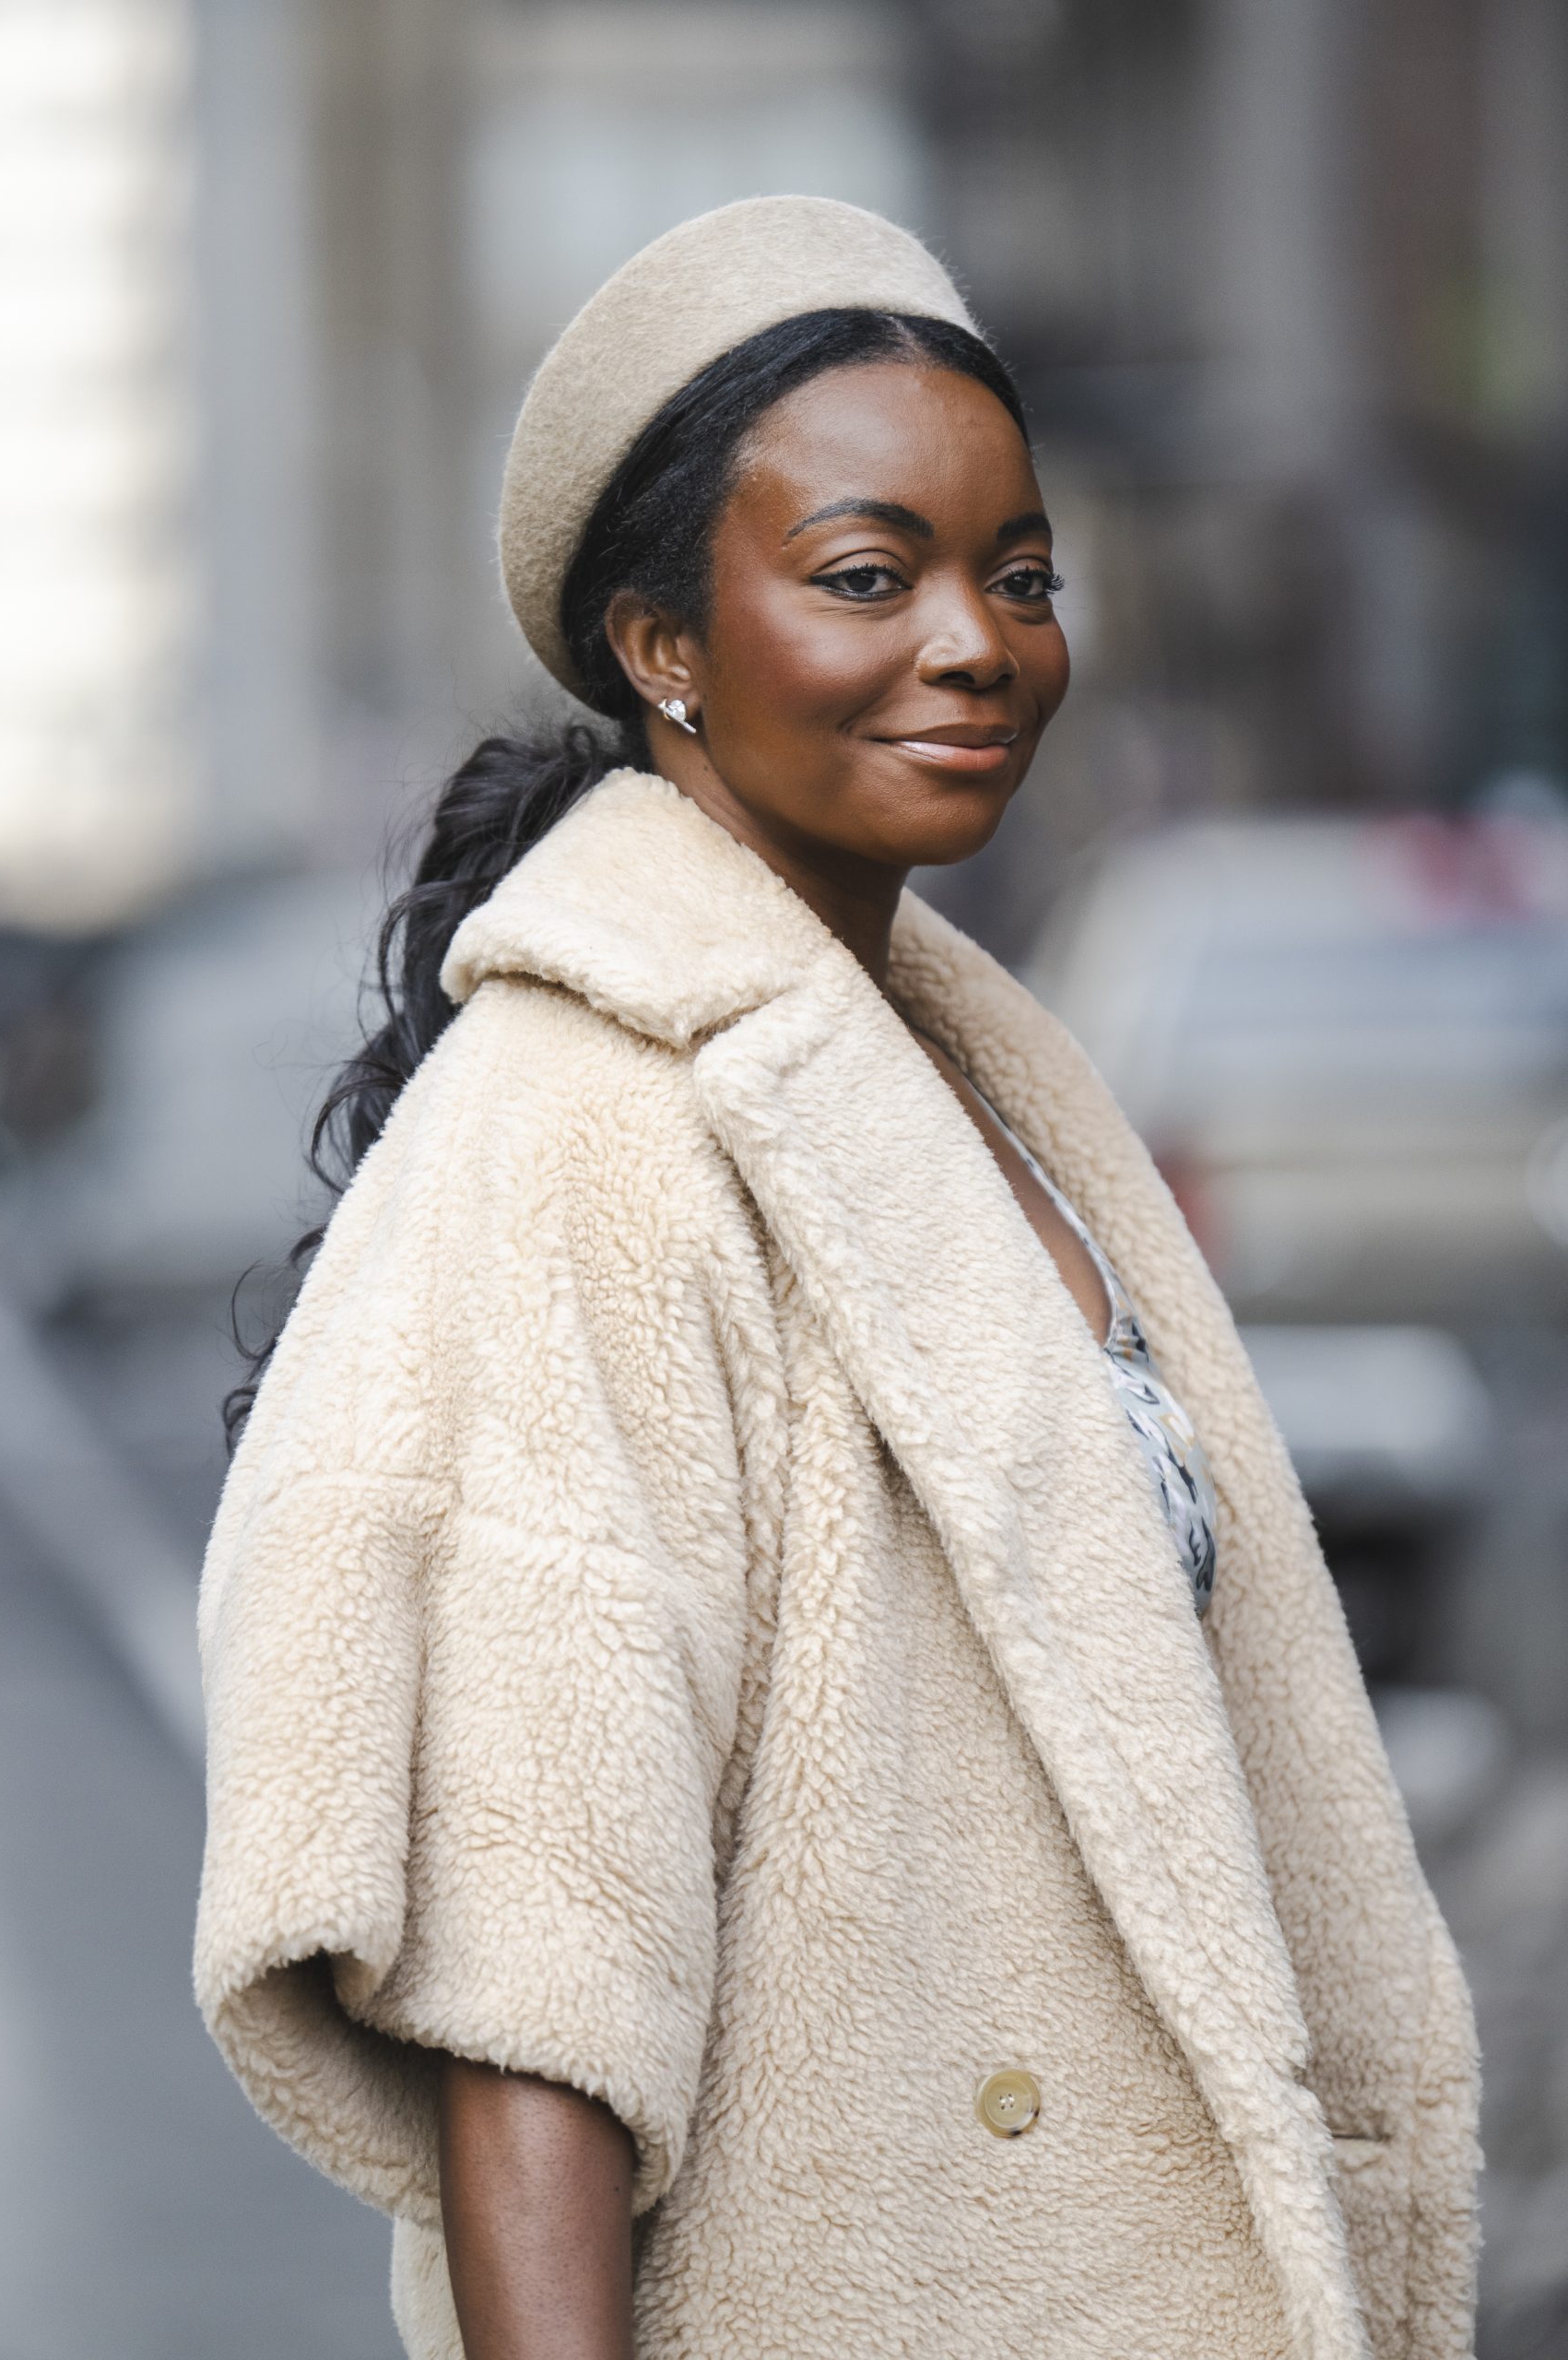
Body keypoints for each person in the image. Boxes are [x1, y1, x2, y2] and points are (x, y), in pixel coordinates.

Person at [195, 197, 1479, 2360]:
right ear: (659, 644)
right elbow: (537, 1979)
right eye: (867, 577)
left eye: (1022, 575)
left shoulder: (976, 1085)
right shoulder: (588, 1128)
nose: (975, 641)